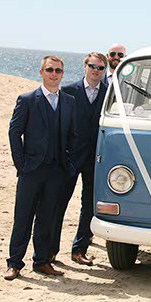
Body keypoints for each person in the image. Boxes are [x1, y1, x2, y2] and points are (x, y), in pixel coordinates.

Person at [4, 56, 77, 280]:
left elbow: (73, 136)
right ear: (41, 72)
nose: (54, 74)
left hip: (56, 171)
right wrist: (22, 164)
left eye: (58, 71)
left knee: (47, 218)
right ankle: (14, 263)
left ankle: (42, 261)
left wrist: (68, 164)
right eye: (49, 70)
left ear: (62, 74)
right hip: (31, 170)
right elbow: (14, 133)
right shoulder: (27, 100)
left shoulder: (69, 101)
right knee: (23, 218)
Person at [51, 52, 108, 265]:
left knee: (89, 205)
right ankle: (50, 251)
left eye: (100, 68)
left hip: (97, 159)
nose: (96, 71)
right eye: (92, 66)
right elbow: (58, 126)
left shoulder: (110, 93)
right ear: (85, 66)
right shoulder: (67, 91)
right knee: (58, 203)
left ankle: (79, 250)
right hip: (70, 158)